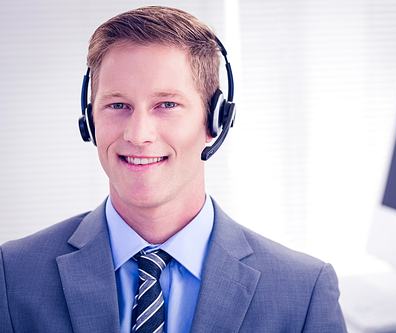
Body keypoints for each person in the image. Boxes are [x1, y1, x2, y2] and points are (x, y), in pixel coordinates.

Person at [0, 6, 347, 333]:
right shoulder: (12, 275)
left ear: (216, 121)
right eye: (117, 104)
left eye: (167, 104)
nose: (138, 135)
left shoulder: (303, 293)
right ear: (90, 120)